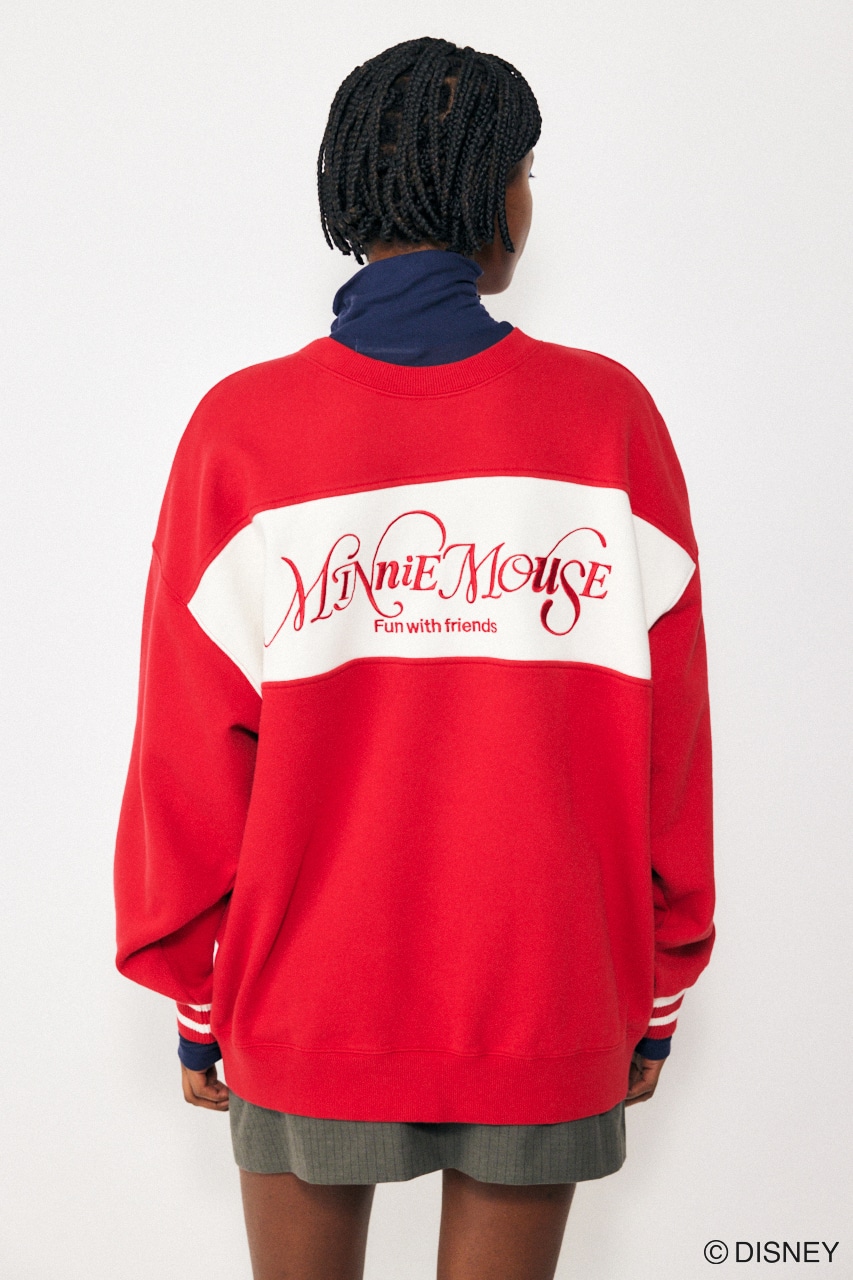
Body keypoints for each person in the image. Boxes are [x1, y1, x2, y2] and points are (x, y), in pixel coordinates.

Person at [113, 36, 715, 1280]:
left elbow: (186, 750)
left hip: (305, 993)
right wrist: (659, 979)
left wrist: (195, 990)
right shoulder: (604, 420)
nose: (530, 204)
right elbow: (674, 747)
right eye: (527, 174)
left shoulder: (241, 431)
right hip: (546, 986)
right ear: (493, 191)